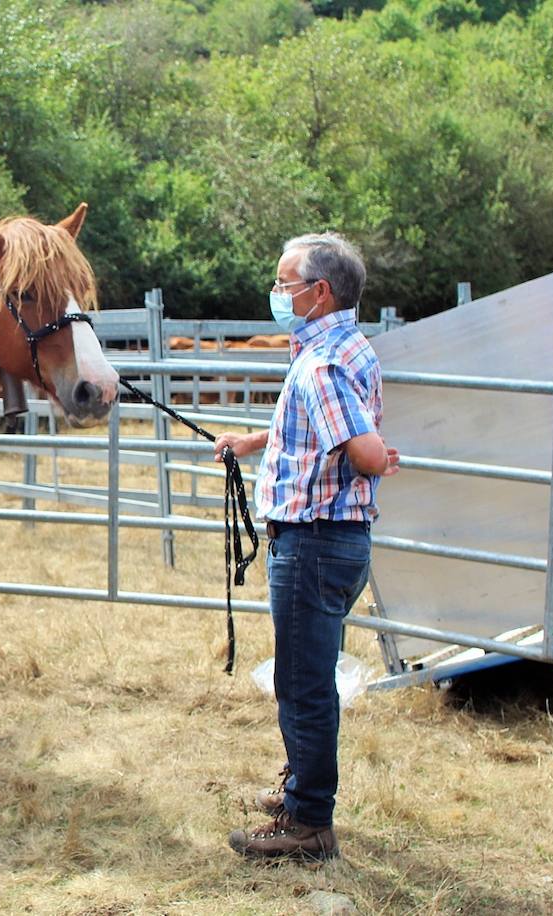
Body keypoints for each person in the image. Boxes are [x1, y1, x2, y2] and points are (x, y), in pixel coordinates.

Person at [214, 232, 399, 862]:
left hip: (314, 543)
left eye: (283, 284)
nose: (276, 294)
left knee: (303, 684)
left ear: (319, 293)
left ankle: (310, 822)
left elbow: (356, 444)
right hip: (337, 540)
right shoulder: (345, 347)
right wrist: (251, 441)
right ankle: (301, 792)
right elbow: (313, 429)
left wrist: (374, 453)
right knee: (307, 677)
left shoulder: (318, 364)